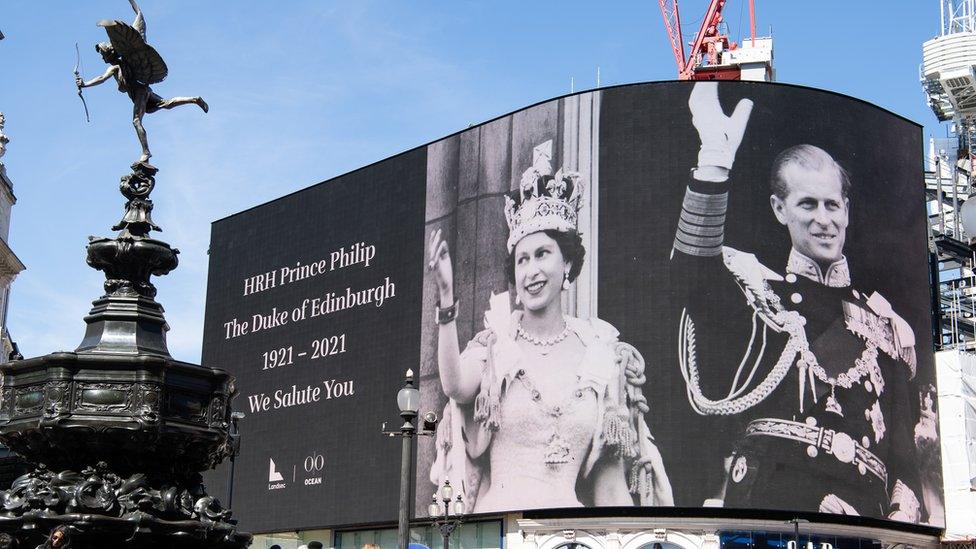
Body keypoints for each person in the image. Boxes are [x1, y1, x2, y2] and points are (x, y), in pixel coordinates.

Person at [670, 82, 941, 523]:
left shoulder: (883, 323)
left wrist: (893, 520)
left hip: (861, 523)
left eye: (832, 205)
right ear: (780, 209)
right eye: (807, 204)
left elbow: (903, 459)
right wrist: (714, 166)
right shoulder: (762, 294)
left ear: (847, 211)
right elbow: (689, 280)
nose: (824, 219)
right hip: (771, 509)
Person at [427, 140, 672, 513]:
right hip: (502, 530)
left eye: (542, 254)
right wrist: (447, 300)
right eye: (522, 260)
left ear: (567, 265)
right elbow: (455, 385)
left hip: (570, 535)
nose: (531, 271)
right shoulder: (497, 346)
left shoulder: (599, 353)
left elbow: (609, 489)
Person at [75, 0, 208, 163]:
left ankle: (146, 152)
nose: (102, 58)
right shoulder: (121, 64)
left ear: (109, 53)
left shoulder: (116, 67)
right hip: (144, 91)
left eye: (103, 55)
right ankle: (194, 99)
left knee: (136, 121)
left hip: (140, 93)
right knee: (167, 104)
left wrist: (85, 84)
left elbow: (101, 78)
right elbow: (140, 15)